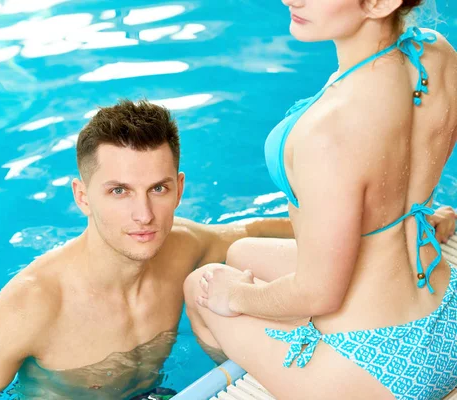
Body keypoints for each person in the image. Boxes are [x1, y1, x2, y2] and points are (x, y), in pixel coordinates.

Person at [0, 99, 299, 400]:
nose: (144, 215)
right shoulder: (34, 303)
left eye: (158, 188)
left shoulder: (182, 247)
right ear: (82, 197)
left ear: (179, 188)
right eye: (119, 191)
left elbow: (253, 231)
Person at [184, 0, 457, 399]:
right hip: (446, 315)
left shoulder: (328, 131)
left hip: (380, 370)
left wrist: (236, 295)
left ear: (381, 3)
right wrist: (424, 213)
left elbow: (320, 292)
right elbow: (406, 168)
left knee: (202, 286)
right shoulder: (436, 52)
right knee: (241, 252)